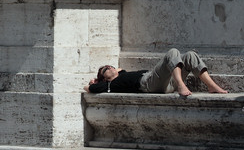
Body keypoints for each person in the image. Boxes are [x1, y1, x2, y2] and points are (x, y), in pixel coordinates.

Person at [83, 48, 229, 96]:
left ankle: (212, 86)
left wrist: (118, 70)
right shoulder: (111, 85)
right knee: (173, 52)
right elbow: (90, 88)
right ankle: (180, 85)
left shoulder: (122, 74)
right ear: (104, 78)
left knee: (190, 55)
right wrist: (92, 83)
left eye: (110, 66)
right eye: (105, 69)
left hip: (163, 81)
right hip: (148, 83)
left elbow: (120, 70)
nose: (109, 67)